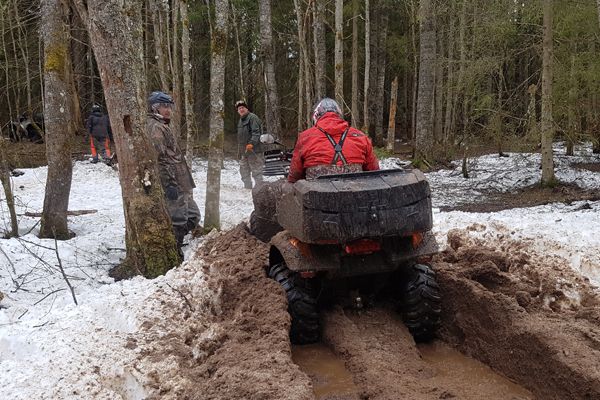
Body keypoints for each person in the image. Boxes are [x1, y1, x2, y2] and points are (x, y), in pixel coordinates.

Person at [147, 91, 201, 258]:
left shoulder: (162, 125)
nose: (168, 110)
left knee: (193, 215)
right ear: (155, 107)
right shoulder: (155, 127)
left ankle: (173, 241)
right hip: (173, 181)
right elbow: (160, 158)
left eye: (169, 106)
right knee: (178, 219)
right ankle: (173, 252)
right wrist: (169, 183)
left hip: (180, 180)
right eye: (164, 106)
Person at [288, 98, 379, 183]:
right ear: (339, 114)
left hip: (316, 195)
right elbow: (374, 171)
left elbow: (295, 175)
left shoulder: (305, 137)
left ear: (316, 116)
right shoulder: (360, 136)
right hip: (355, 192)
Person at [236, 100, 264, 189]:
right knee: (244, 171)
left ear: (246, 108)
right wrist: (240, 151)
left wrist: (251, 143)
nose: (241, 110)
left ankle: (260, 190)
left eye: (242, 108)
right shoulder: (241, 120)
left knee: (257, 172)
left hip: (254, 150)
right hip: (244, 152)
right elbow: (240, 138)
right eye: (239, 108)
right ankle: (247, 188)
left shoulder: (253, 118)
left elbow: (256, 133)